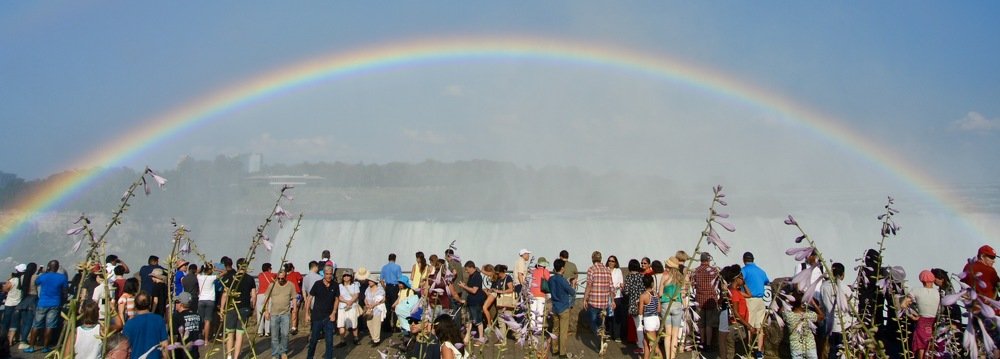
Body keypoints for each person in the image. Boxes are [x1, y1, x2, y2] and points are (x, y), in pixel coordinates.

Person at [25, 260, 67, 354]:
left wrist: (44, 272)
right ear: (57, 268)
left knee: (36, 325)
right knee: (50, 326)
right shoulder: (62, 278)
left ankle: (31, 346)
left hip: (42, 303)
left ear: (48, 267)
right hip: (55, 303)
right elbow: (65, 291)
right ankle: (45, 347)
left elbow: (36, 282)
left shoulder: (43, 276)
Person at [220, 258, 256, 359]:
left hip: (231, 307)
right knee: (239, 334)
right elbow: (253, 295)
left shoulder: (231, 278)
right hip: (244, 308)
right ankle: (236, 357)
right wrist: (252, 307)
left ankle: (229, 355)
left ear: (237, 266)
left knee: (230, 332)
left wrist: (222, 308)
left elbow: (225, 294)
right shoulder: (250, 279)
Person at [902, 270, 939, 359]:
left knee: (920, 345)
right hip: (934, 321)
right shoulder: (938, 292)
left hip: (922, 320)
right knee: (931, 344)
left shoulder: (916, 291)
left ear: (922, 280)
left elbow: (903, 305)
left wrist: (911, 315)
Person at [820, 263, 853, 359]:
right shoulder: (846, 288)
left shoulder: (823, 287)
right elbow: (850, 309)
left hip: (831, 326)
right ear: (843, 275)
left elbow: (822, 305)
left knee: (833, 350)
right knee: (844, 351)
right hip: (844, 326)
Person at [307, 265, 340, 359]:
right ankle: (310, 357)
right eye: (327, 274)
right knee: (313, 340)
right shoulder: (317, 284)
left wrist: (334, 312)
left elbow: (337, 299)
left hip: (329, 317)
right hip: (317, 317)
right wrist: (307, 314)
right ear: (323, 274)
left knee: (329, 341)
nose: (329, 276)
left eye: (330, 274)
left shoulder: (335, 285)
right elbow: (309, 298)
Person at [123, 293, 168, 359]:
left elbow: (125, 348)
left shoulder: (129, 324)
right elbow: (165, 345)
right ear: (149, 304)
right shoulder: (159, 319)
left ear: (135, 305)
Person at [741, 252, 769, 356]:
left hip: (750, 299)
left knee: (749, 325)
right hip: (761, 300)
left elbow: (739, 281)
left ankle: (749, 349)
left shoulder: (744, 270)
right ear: (753, 259)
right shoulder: (761, 271)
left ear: (744, 260)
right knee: (760, 326)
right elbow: (767, 282)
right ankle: (759, 351)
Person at [783, 290, 825, 359]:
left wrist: (787, 299)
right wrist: (813, 303)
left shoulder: (788, 316)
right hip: (810, 346)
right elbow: (822, 316)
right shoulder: (809, 315)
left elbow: (782, 310)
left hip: (796, 347)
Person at [264, 270, 296, 359]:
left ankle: (283, 352)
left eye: (282, 278)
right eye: (279, 278)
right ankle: (275, 354)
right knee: (274, 336)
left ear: (286, 277)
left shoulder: (290, 285)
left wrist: (295, 311)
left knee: (285, 334)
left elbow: (294, 298)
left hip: (285, 313)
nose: (280, 280)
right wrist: (266, 311)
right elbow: (266, 298)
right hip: (274, 314)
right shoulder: (272, 285)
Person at [721, 265, 752, 359]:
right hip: (737, 326)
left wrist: (744, 283)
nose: (743, 279)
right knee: (739, 353)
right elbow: (735, 313)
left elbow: (749, 295)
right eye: (742, 277)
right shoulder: (734, 293)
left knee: (733, 353)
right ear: (737, 279)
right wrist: (748, 325)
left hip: (737, 325)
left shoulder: (733, 290)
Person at [692, 252, 720, 352]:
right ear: (708, 260)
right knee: (709, 323)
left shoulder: (696, 271)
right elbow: (717, 284)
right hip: (711, 299)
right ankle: (708, 344)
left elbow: (693, 285)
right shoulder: (714, 271)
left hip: (699, 299)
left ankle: (702, 342)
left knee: (701, 323)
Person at [584, 251, 614, 339]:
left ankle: (598, 332)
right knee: (601, 322)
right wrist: (612, 301)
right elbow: (611, 287)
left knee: (592, 321)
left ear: (592, 259)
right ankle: (601, 338)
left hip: (593, 302)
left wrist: (585, 299)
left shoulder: (591, 269)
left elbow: (589, 285)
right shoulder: (607, 270)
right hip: (604, 303)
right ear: (601, 259)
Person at [660, 256, 686, 359]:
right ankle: (672, 356)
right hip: (677, 304)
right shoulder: (680, 277)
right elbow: (683, 293)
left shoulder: (665, 276)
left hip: (666, 304)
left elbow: (660, 293)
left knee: (667, 334)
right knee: (675, 335)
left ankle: (667, 357)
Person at [549, 258, 575, 358]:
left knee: (555, 329)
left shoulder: (551, 279)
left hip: (555, 307)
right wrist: (571, 284)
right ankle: (562, 352)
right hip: (563, 307)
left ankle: (554, 349)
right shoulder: (562, 280)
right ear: (562, 268)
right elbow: (571, 292)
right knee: (563, 331)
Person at [456, 261, 485, 344]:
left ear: (471, 267)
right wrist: (464, 286)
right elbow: (470, 288)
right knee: (470, 320)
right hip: (471, 301)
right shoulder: (471, 276)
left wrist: (464, 286)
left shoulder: (477, 276)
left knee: (478, 320)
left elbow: (474, 290)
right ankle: (467, 337)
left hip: (476, 301)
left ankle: (481, 338)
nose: (466, 271)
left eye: (467, 269)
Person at [170, 292, 202, 359]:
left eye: (176, 302)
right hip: (194, 353)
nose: (175, 304)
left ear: (181, 304)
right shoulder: (198, 316)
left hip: (181, 354)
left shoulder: (176, 317)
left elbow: (174, 336)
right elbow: (199, 334)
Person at [624, 259, 646, 354]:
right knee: (644, 324)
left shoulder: (629, 277)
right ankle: (645, 343)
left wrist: (622, 288)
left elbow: (626, 291)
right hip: (644, 302)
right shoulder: (642, 276)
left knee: (638, 326)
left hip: (633, 304)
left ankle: (641, 346)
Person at [15, 262, 38, 350]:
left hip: (24, 299)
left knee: (24, 322)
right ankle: (23, 341)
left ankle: (22, 339)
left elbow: (21, 287)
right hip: (33, 299)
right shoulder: (35, 277)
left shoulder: (22, 277)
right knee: (29, 322)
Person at [2, 264, 25, 347]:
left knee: (6, 322)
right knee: (14, 323)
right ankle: (11, 340)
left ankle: (3, 340)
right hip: (19, 303)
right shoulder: (25, 279)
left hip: (9, 303)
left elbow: (5, 289)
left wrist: (8, 280)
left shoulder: (13, 280)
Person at [337, 271, 361, 346]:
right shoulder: (339, 286)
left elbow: (356, 295)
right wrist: (346, 301)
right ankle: (342, 340)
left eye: (348, 276)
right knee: (341, 324)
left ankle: (356, 338)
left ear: (351, 277)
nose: (346, 277)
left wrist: (350, 302)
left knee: (354, 323)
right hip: (342, 307)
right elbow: (338, 296)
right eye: (344, 276)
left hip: (352, 306)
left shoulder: (354, 285)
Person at [361, 271, 386, 345]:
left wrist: (373, 305)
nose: (369, 282)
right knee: (369, 323)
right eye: (369, 280)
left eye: (371, 281)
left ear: (375, 282)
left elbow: (380, 300)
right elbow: (365, 298)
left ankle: (376, 340)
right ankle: (373, 337)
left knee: (376, 324)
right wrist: (366, 304)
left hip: (377, 308)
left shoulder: (380, 289)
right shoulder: (368, 289)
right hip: (369, 309)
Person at [640, 275, 661, 359]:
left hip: (649, 321)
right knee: (645, 343)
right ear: (652, 283)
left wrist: (640, 304)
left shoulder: (643, 295)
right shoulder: (655, 294)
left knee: (655, 346)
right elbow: (659, 309)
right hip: (656, 319)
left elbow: (640, 311)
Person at [380, 254, 402, 332]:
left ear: (388, 259)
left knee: (387, 307)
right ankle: (396, 326)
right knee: (395, 306)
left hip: (388, 287)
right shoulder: (397, 267)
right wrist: (400, 290)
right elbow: (400, 279)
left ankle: (386, 326)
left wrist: (385, 287)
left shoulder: (384, 267)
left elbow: (381, 280)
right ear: (395, 259)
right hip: (395, 286)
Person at [606, 255, 625, 342]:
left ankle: (617, 335)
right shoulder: (605, 270)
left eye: (613, 261)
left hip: (617, 295)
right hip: (607, 295)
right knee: (608, 316)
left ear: (615, 262)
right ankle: (608, 333)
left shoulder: (618, 271)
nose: (611, 262)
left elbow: (621, 282)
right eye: (609, 260)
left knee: (617, 316)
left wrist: (619, 287)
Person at [195, 263, 217, 342]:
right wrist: (215, 269)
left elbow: (197, 272)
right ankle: (206, 339)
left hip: (201, 300)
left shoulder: (200, 277)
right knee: (207, 320)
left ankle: (200, 336)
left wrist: (202, 268)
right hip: (210, 300)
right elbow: (224, 273)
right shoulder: (212, 278)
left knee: (200, 319)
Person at [529, 257, 551, 330]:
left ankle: (532, 328)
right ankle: (539, 329)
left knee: (532, 312)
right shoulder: (545, 271)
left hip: (532, 293)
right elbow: (548, 280)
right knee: (540, 312)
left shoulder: (533, 271)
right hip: (541, 293)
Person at [256, 262, 276, 337]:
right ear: (268, 268)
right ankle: (267, 331)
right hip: (268, 295)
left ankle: (260, 331)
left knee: (260, 313)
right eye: (270, 268)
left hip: (260, 295)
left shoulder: (260, 275)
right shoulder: (273, 275)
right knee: (268, 312)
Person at [282, 262, 303, 334]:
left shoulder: (284, 276)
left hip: (287, 294)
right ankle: (294, 327)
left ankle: (285, 327)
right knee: (295, 311)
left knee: (287, 311)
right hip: (296, 294)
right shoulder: (296, 273)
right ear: (292, 268)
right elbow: (300, 280)